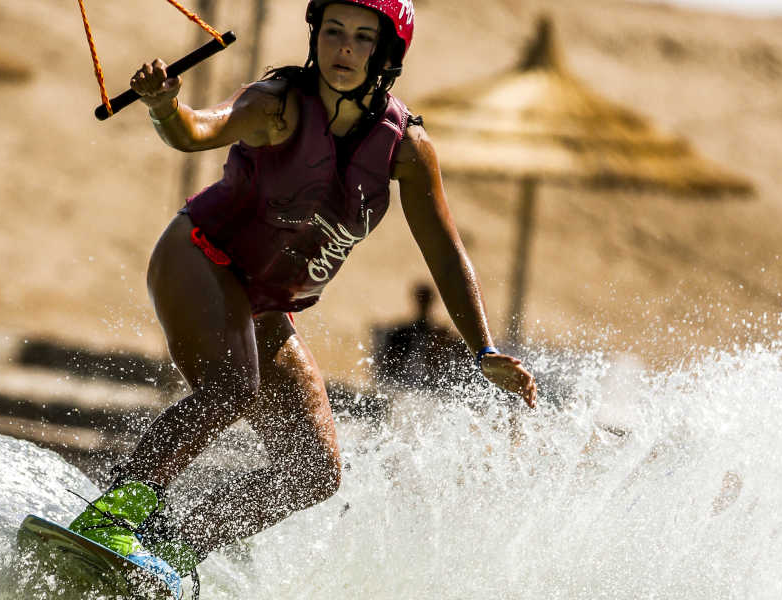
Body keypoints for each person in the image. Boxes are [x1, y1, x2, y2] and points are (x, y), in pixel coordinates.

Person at [67, 0, 537, 591]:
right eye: (334, 32)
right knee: (233, 390)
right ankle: (112, 516)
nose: (343, 48)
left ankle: (174, 545)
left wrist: (483, 348)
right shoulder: (277, 104)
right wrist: (165, 106)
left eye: (363, 38)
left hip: (265, 303)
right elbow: (196, 132)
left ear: (386, 53)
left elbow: (445, 252)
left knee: (313, 470)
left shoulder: (407, 150)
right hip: (199, 256)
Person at [372, 282, 468, 391]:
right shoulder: (402, 333)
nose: (423, 303)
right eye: (422, 299)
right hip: (409, 387)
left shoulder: (440, 334)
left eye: (425, 299)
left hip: (425, 387)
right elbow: (387, 366)